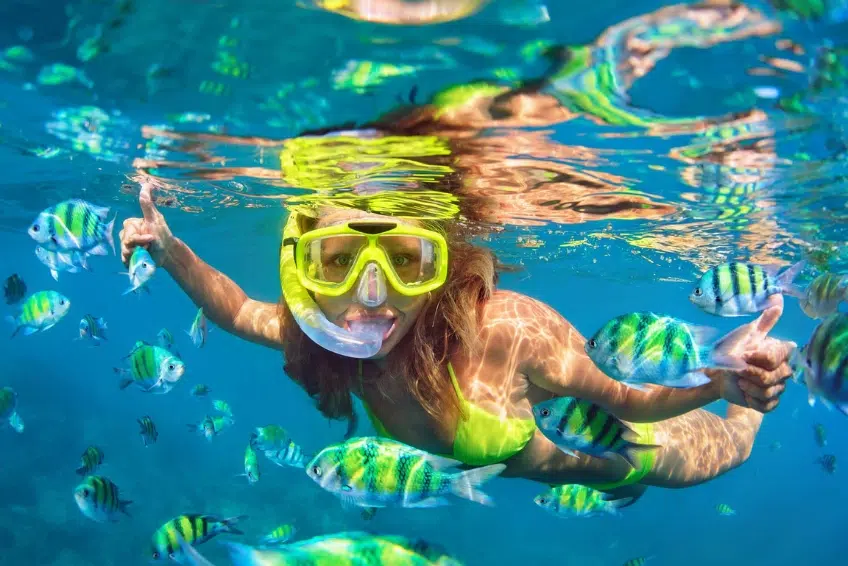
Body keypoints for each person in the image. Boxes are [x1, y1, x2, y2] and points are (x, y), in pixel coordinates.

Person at [120, 180, 794, 504]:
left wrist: (720, 385)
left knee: (728, 449)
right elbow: (237, 309)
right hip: (546, 466)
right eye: (338, 262)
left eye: (405, 262)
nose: (368, 295)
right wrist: (168, 247)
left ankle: (758, 374)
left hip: (628, 455)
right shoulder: (322, 342)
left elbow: (629, 398)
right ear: (304, 269)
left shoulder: (507, 330)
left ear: (442, 268)